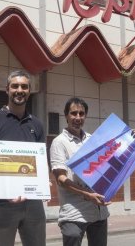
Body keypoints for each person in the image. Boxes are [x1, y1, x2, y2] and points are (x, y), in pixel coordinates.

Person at [0, 70, 46, 246]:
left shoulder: (36, 124)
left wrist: (44, 181)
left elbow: (41, 162)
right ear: (7, 90)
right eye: (15, 86)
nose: (19, 90)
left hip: (32, 202)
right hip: (1, 204)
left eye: (24, 86)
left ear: (29, 91)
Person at [50, 97, 111, 246]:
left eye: (81, 114)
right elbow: (60, 179)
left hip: (98, 212)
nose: (78, 117)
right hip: (74, 214)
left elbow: (110, 159)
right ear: (66, 116)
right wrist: (87, 195)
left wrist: (132, 138)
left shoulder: (92, 139)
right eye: (74, 113)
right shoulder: (59, 142)